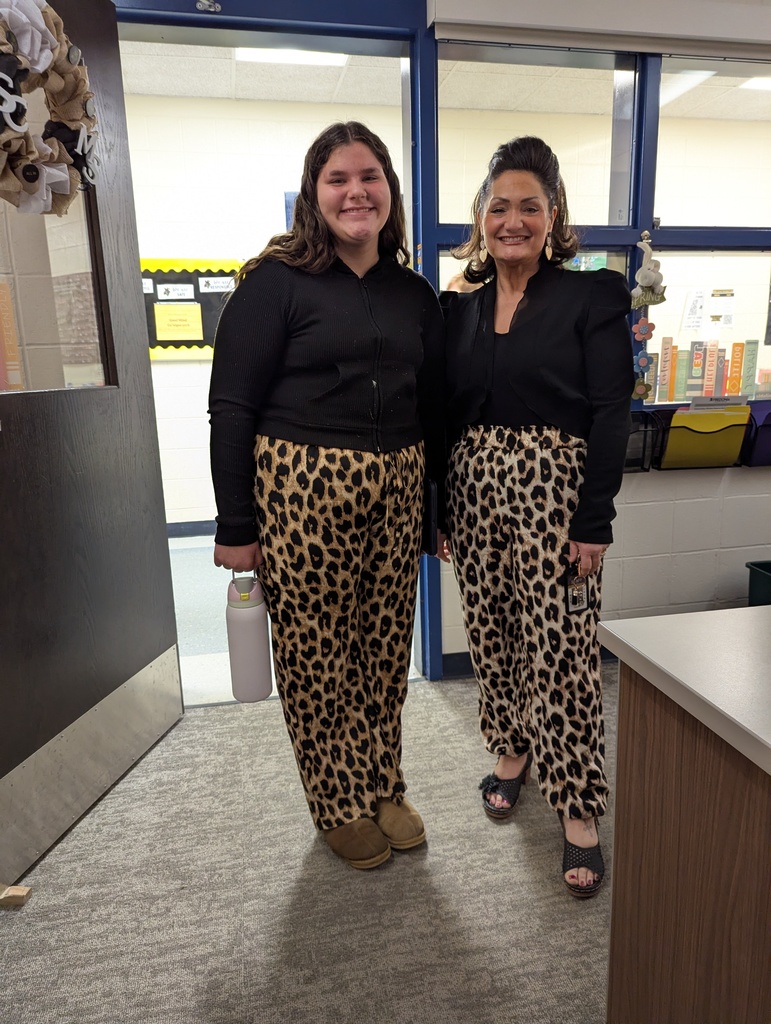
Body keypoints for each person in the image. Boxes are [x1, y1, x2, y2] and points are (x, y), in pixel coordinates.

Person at [208, 121, 445, 870]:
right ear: (315, 194)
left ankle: (382, 786)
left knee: (382, 652)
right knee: (317, 656)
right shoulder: (273, 282)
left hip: (398, 485)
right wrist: (235, 522)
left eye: (369, 177)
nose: (356, 192)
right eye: (338, 179)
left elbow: (431, 409)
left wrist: (430, 512)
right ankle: (336, 801)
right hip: (301, 490)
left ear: (388, 193)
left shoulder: (412, 291)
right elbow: (233, 408)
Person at [440, 136, 634, 898]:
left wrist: (594, 520)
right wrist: (439, 510)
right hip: (471, 487)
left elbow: (611, 412)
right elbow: (440, 414)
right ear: (480, 217)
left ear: (553, 217)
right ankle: (510, 750)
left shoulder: (591, 297)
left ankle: (579, 806)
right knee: (490, 633)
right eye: (498, 206)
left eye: (529, 206)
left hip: (556, 493)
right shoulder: (460, 304)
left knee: (560, 650)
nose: (512, 220)